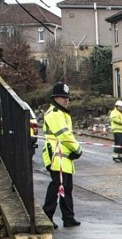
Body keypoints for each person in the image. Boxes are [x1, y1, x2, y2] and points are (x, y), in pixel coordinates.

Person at [41, 81, 82, 229]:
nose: (66, 100)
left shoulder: (62, 114)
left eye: (67, 97)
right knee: (56, 188)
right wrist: (77, 149)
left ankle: (68, 217)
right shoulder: (54, 114)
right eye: (62, 97)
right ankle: (47, 216)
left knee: (66, 188)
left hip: (63, 157)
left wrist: (72, 151)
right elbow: (64, 135)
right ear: (55, 98)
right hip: (57, 157)